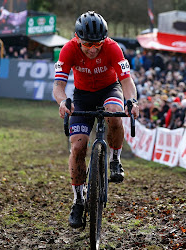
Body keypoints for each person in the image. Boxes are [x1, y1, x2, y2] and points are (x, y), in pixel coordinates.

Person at [52, 11, 139, 229]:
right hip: (82, 96)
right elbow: (58, 86)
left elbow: (127, 82)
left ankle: (115, 158)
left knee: (114, 113)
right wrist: (63, 102)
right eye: (88, 44)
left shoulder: (113, 48)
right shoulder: (68, 49)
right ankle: (78, 201)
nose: (93, 49)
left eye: (97, 44)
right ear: (77, 38)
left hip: (110, 89)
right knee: (78, 146)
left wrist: (132, 101)